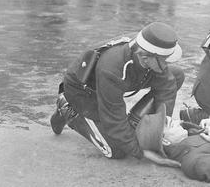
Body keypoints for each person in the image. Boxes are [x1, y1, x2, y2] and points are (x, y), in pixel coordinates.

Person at [48, 22, 185, 162]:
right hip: (83, 92)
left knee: (175, 76)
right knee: (117, 150)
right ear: (144, 58)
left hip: (118, 80)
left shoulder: (148, 49)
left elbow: (166, 84)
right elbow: (114, 122)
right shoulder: (111, 70)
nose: (167, 65)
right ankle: (67, 108)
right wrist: (141, 152)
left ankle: (133, 124)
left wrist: (161, 126)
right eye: (165, 61)